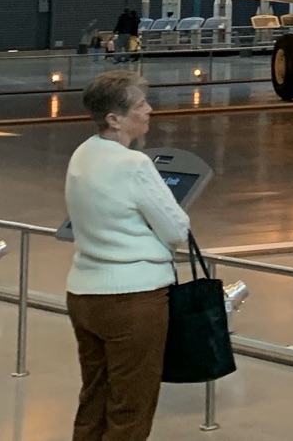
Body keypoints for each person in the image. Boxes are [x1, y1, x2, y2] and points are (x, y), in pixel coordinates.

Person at [64, 71, 191, 441]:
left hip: (84, 294)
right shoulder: (134, 164)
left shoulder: (82, 154)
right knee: (131, 409)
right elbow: (176, 229)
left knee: (95, 397)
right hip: (133, 300)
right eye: (141, 104)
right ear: (114, 119)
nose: (149, 110)